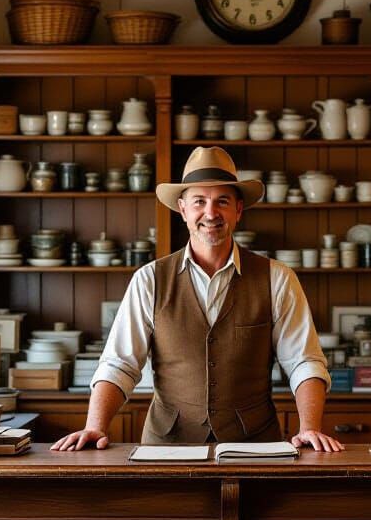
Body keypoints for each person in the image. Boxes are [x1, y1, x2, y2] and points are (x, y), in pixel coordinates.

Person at [52, 146, 345, 453]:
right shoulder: (149, 279)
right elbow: (119, 364)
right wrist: (95, 426)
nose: (210, 213)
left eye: (222, 201)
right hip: (167, 448)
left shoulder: (278, 278)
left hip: (255, 449)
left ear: (238, 209)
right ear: (182, 209)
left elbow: (303, 362)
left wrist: (309, 427)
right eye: (199, 202)